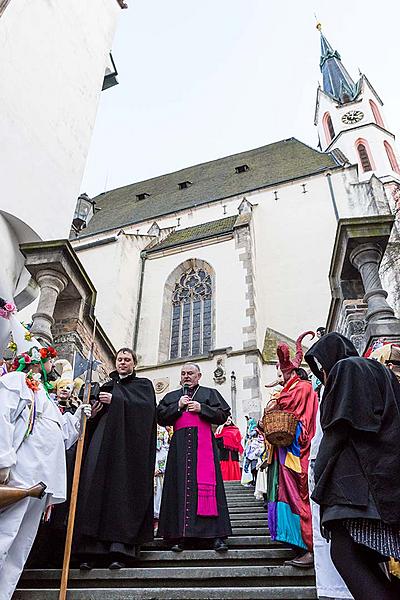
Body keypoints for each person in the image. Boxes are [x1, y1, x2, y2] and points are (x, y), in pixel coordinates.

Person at [305, 332, 400, 600]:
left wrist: (320, 473)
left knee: (345, 554)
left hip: (357, 483)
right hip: (380, 476)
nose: (323, 375)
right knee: (365, 558)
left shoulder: (346, 368)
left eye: (321, 367)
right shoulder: (380, 371)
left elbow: (338, 427)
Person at [0, 345, 91, 600]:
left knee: (21, 545)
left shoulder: (46, 396)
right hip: (22, 471)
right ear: (38, 361)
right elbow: (3, 417)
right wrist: (3, 462)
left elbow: (61, 436)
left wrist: (77, 419)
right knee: (5, 535)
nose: (54, 366)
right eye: (51, 361)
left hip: (44, 477)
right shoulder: (17, 381)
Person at [73, 348, 156, 570]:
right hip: (101, 445)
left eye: (127, 360)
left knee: (120, 495)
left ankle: (118, 551)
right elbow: (90, 416)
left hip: (126, 451)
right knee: (94, 491)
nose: (122, 363)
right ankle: (89, 552)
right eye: (119, 359)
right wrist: (94, 410)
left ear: (134, 363)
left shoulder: (143, 385)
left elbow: (147, 410)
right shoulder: (105, 385)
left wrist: (117, 399)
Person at [156, 363, 232, 552]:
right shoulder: (172, 396)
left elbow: (223, 414)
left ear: (199, 375)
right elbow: (160, 417)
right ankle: (179, 536)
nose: (186, 376)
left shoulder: (209, 393)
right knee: (178, 489)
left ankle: (215, 536)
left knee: (209, 488)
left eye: (190, 373)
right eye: (183, 373)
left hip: (203, 444)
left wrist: (202, 408)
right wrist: (177, 406)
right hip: (179, 449)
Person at [262, 331, 318, 568]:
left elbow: (292, 412)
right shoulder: (291, 388)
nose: (280, 376)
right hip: (285, 452)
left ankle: (310, 547)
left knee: (299, 497)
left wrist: (276, 402)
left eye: (283, 372)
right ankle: (296, 542)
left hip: (296, 452)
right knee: (287, 496)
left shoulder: (302, 387)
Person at [215, 416, 244, 481]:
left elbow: (238, 440)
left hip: (233, 452)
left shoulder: (236, 430)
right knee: (224, 466)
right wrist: (224, 441)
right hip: (224, 452)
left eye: (229, 418)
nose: (228, 420)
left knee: (234, 466)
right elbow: (217, 440)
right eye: (226, 419)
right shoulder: (220, 429)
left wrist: (230, 442)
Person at [154, 425, 170, 534]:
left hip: (159, 470)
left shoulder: (162, 430)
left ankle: (157, 521)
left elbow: (165, 448)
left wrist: (161, 468)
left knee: (159, 495)